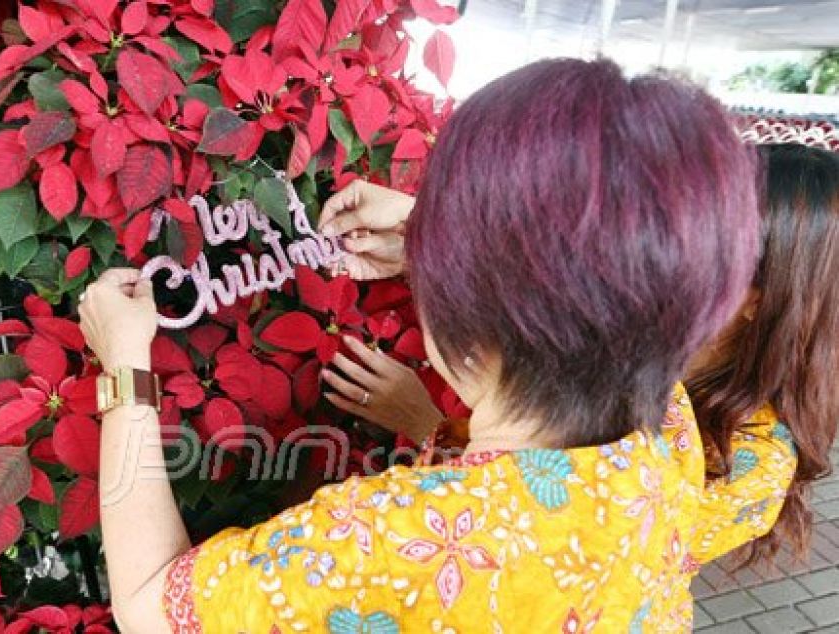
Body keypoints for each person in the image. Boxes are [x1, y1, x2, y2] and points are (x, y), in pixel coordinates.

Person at [81, 58, 768, 632]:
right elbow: (606, 280)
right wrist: (427, 235)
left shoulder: (396, 537)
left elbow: (148, 603)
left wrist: (124, 370)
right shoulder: (673, 440)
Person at [323, 143, 838, 567]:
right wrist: (422, 236)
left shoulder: (754, 466)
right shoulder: (656, 322)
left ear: (755, 299)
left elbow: (551, 538)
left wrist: (424, 422)